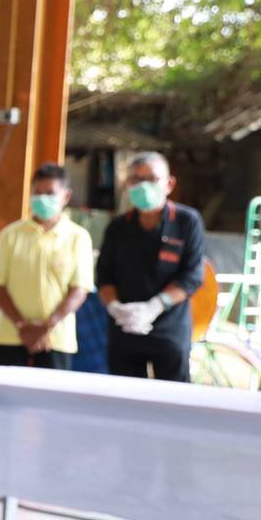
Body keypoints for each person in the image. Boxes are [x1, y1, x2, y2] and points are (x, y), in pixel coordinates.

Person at [96, 152, 206, 382]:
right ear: (127, 185)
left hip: (169, 329)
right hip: (125, 327)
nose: (144, 186)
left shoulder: (187, 222)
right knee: (123, 402)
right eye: (136, 180)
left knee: (174, 402)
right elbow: (104, 276)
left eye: (152, 179)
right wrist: (115, 307)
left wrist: (154, 306)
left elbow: (192, 276)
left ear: (169, 183)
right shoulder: (118, 227)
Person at [0, 162, 95, 370]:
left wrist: (47, 326)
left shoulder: (78, 237)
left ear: (66, 196)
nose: (43, 198)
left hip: (57, 339)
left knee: (52, 402)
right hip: (9, 336)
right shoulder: (10, 235)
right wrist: (22, 325)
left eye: (50, 193)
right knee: (4, 400)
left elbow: (79, 290)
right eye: (38, 192)